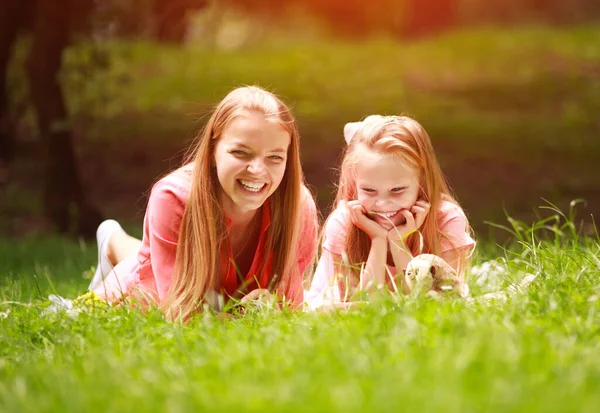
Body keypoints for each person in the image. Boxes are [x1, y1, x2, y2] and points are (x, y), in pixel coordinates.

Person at [89, 86, 318, 320]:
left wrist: (274, 306)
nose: (258, 170)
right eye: (241, 152)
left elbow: (291, 311)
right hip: (145, 298)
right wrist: (246, 318)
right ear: (211, 151)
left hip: (215, 302)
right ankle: (112, 242)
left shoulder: (297, 208)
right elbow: (182, 314)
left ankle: (112, 240)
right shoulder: (174, 198)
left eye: (275, 157)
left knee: (142, 253)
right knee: (135, 267)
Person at [307, 115, 475, 305]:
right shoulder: (344, 223)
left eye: (397, 190)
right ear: (355, 184)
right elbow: (360, 307)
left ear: (422, 181)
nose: (383, 203)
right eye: (369, 190)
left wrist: (397, 242)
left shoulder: (445, 219)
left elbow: (433, 305)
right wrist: (378, 240)